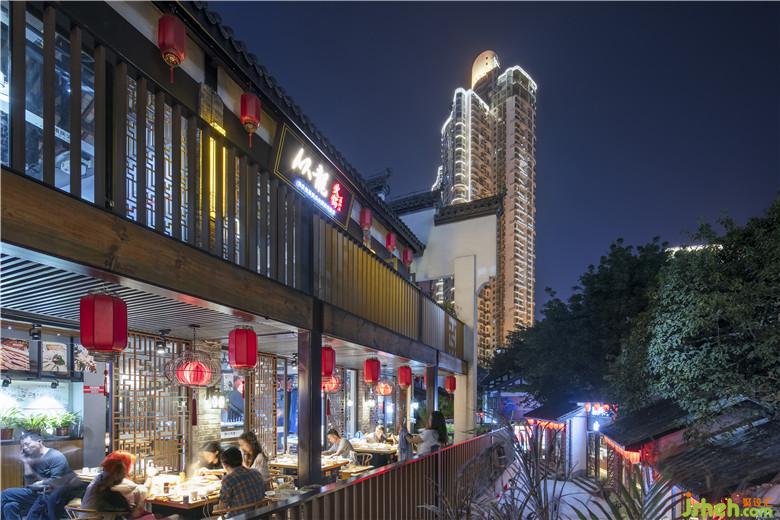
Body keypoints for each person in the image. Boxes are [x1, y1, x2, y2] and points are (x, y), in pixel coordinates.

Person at [1, 432, 85, 520]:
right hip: (35, 492)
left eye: (27, 444)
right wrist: (26, 462)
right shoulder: (31, 457)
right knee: (9, 506)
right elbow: (30, 482)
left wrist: (40, 483)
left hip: (50, 495)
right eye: (23, 446)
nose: (25, 448)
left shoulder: (55, 456)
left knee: (6, 493)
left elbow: (56, 481)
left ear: (39, 442)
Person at [100, 451, 153, 519]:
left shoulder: (100, 480)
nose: (132, 467)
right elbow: (144, 491)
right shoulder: (129, 485)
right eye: (131, 464)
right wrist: (150, 476)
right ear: (123, 467)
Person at [218, 447, 265, 517]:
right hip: (259, 515)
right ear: (241, 459)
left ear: (225, 464)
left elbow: (222, 508)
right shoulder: (256, 473)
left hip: (239, 517)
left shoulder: (229, 479)